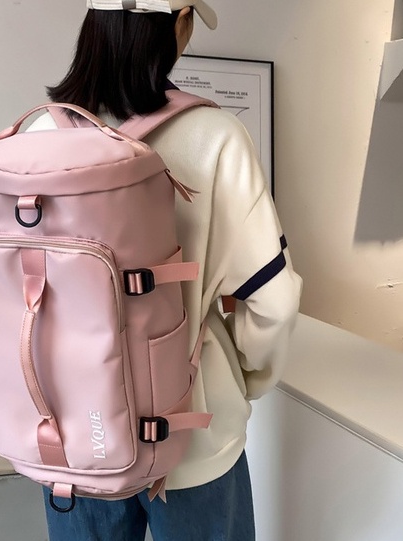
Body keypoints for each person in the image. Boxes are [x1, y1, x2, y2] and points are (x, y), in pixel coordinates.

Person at [33, 1, 302, 539]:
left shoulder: (35, 134)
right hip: (192, 428)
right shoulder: (217, 136)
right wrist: (243, 381)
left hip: (73, 433)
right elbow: (273, 300)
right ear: (179, 23)